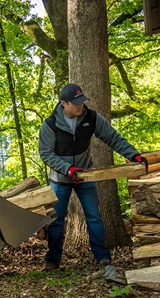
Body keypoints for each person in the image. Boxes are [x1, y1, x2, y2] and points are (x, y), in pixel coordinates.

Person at [38, 83, 147, 270]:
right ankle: (52, 261)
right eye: (76, 103)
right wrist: (68, 169)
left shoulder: (91, 117)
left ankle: (103, 258)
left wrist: (133, 155)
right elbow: (46, 154)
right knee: (56, 220)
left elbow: (113, 138)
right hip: (60, 179)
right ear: (64, 103)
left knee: (94, 216)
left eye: (82, 101)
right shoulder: (50, 124)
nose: (81, 105)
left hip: (85, 176)